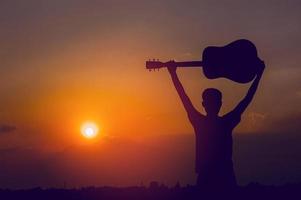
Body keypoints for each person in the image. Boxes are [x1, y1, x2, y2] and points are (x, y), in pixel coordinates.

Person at [167, 61, 265, 189]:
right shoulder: (226, 122)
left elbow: (183, 97)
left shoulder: (200, 122)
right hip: (223, 177)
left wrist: (173, 74)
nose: (213, 104)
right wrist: (259, 75)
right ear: (220, 104)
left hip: (210, 177)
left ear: (204, 104)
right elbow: (247, 98)